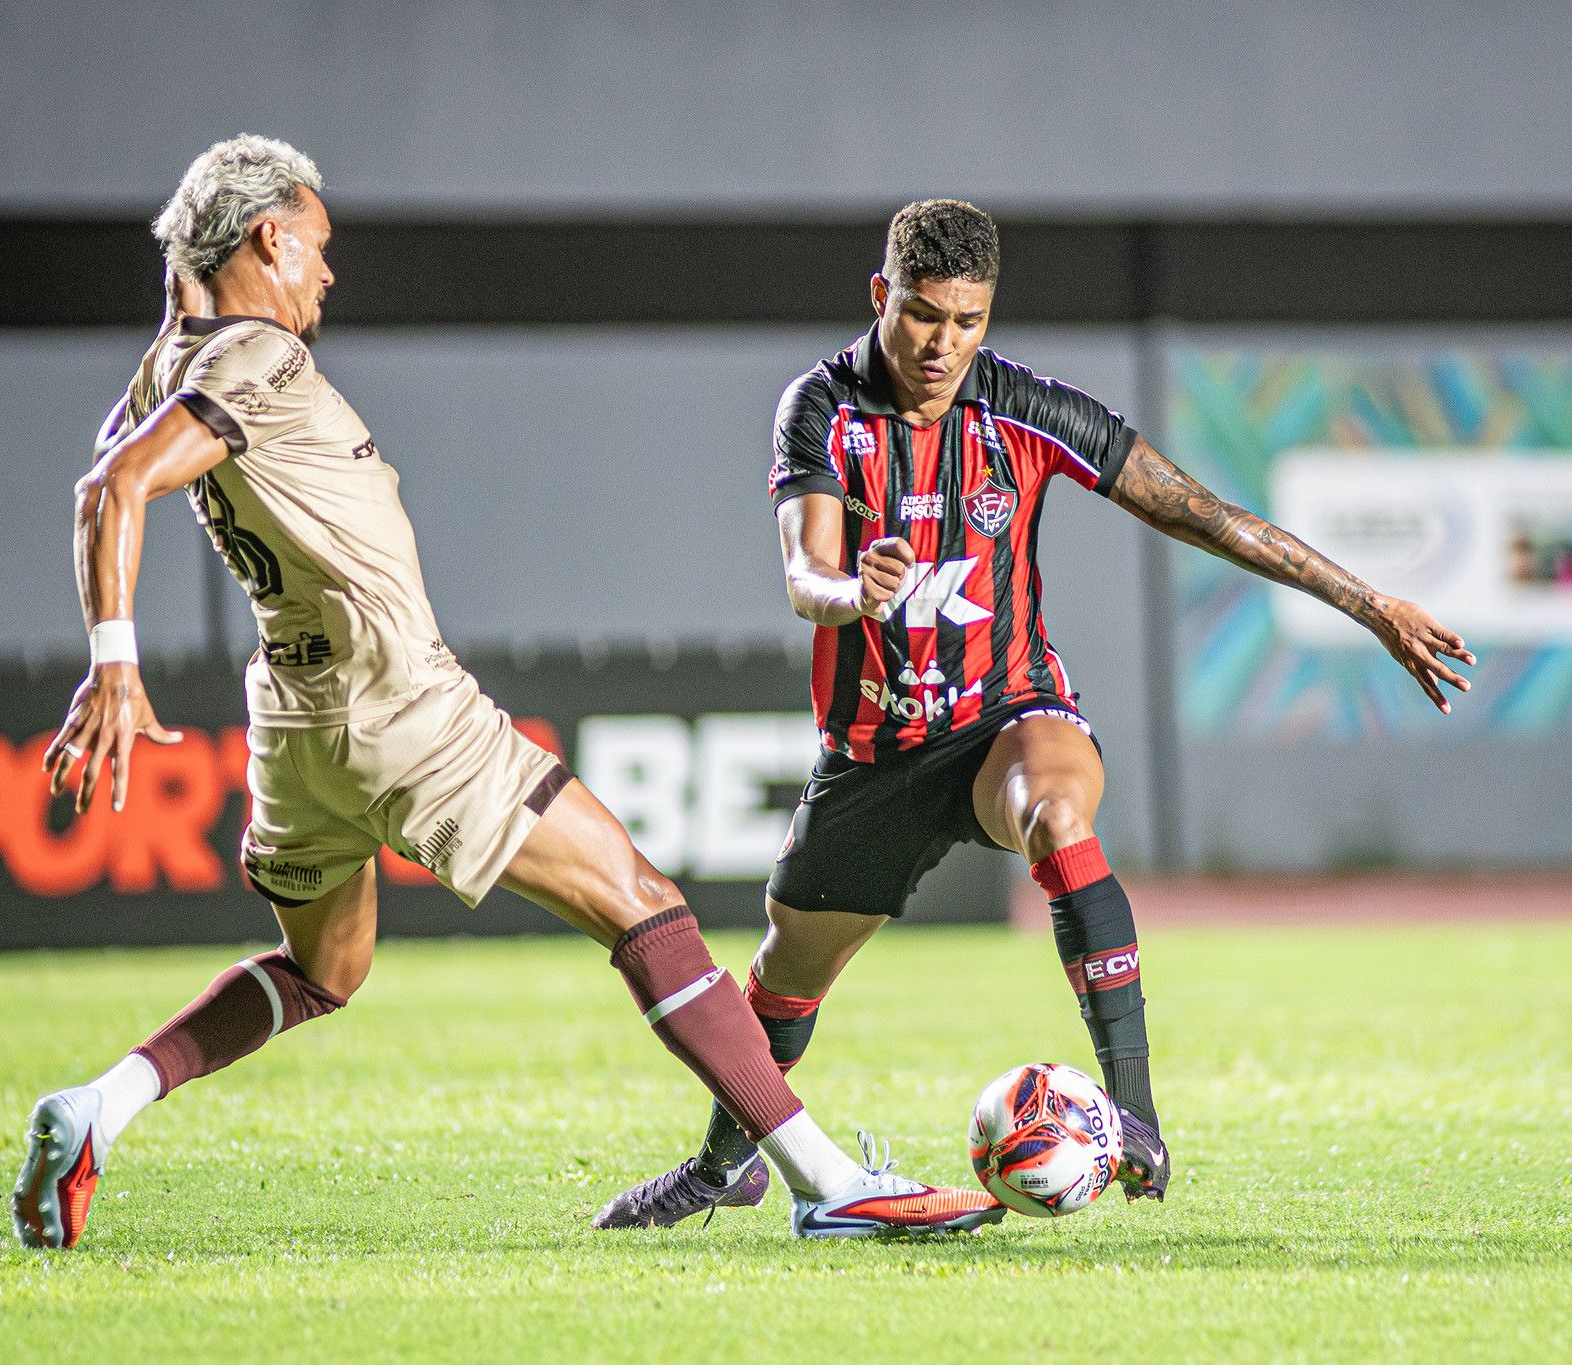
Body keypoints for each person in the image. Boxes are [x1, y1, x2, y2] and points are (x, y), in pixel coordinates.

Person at [12, 140, 1004, 1249]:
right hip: (395, 699)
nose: (327, 278)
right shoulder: (256, 358)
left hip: (293, 724)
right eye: (319, 249)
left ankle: (101, 1106)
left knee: (320, 969)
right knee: (646, 906)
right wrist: (113, 661)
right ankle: (825, 1181)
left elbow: (104, 476)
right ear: (268, 239)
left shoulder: (168, 366)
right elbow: (116, 484)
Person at [595, 199, 1475, 1228]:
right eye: (923, 315)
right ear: (882, 297)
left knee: (1057, 810)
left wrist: (1369, 604)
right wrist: (853, 591)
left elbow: (1201, 512)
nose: (943, 344)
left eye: (967, 321)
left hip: (1006, 716)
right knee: (785, 980)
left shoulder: (1024, 410)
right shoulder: (820, 409)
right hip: (875, 755)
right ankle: (723, 1164)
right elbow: (804, 572)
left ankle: (1134, 1119)